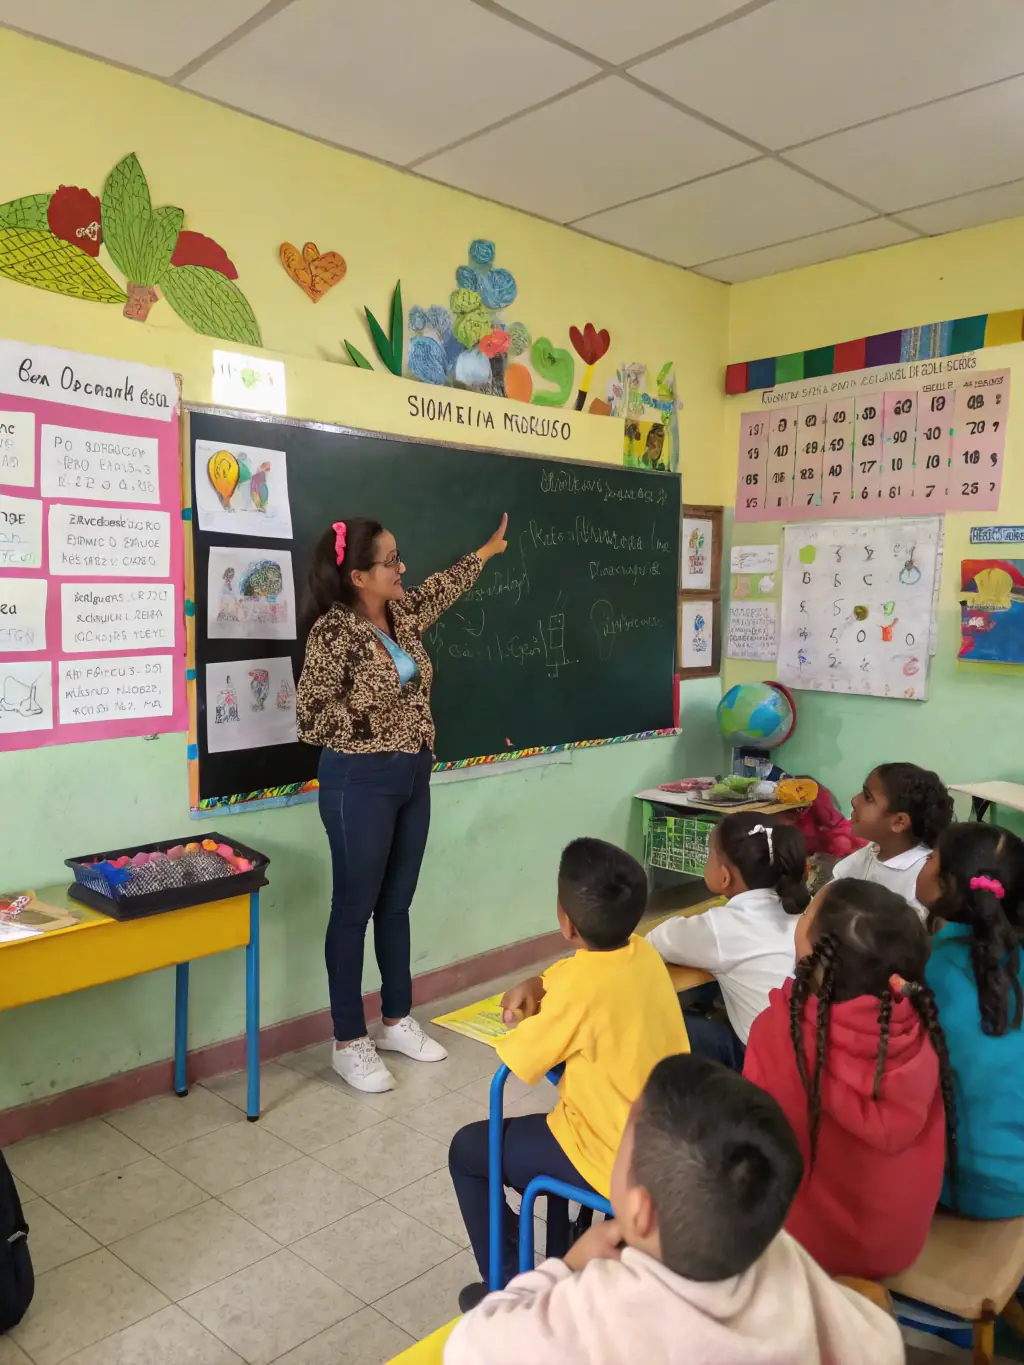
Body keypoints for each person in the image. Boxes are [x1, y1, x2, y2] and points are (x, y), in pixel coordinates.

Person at [444, 1053, 904, 1365]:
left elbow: (466, 1347)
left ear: (640, 1212)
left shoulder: (595, 1303)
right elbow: (879, 1343)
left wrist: (565, 1268)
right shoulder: (777, 1252)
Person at [297, 514, 508, 1093]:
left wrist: (485, 552)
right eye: (390, 561)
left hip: (413, 771)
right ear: (359, 575)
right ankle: (348, 1040)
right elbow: (310, 717)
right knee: (353, 909)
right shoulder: (332, 632)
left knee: (396, 904)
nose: (403, 569)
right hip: (358, 779)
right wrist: (374, 719)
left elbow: (440, 586)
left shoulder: (402, 614)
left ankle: (395, 1020)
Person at [448, 838, 689, 1305]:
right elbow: (573, 974)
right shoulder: (642, 953)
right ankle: (557, 1258)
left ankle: (510, 1289)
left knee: (469, 1150)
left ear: (565, 920)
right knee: (545, 1133)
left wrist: (522, 1016)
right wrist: (535, 982)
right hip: (669, 1145)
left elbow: (517, 1061)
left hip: (608, 1157)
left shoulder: (581, 990)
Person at [743, 878, 955, 1279]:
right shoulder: (919, 1026)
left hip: (807, 1253)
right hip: (901, 1244)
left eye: (807, 915)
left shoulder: (778, 1034)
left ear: (814, 952)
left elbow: (755, 1158)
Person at [916, 821, 1024, 1217]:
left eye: (931, 858)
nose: (923, 863)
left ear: (947, 885)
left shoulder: (925, 970)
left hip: (956, 1186)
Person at [647, 813, 809, 1069]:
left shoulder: (719, 928)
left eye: (710, 853)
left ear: (724, 876)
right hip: (809, 1052)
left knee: (657, 1022)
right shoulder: (802, 911)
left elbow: (655, 941)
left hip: (761, 1063)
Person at [832, 762, 953, 916]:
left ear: (899, 822)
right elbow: (834, 886)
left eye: (868, 797)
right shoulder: (876, 849)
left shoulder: (921, 880)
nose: (855, 800)